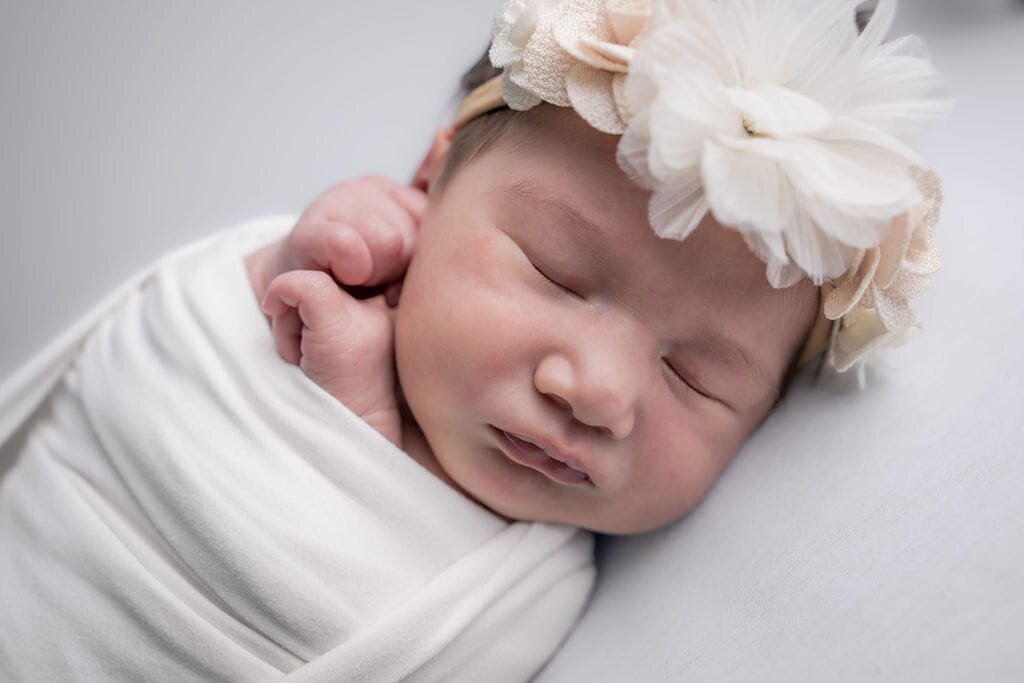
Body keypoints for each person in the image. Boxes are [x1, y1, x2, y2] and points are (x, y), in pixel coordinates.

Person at [0, 0, 948, 679]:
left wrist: (373, 421)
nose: (599, 391)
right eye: (555, 274)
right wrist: (272, 274)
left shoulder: (552, 595)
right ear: (428, 180)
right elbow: (164, 364)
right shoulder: (301, 286)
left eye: (695, 376)